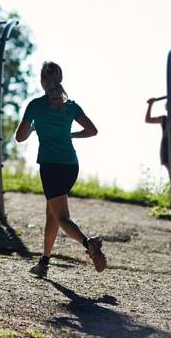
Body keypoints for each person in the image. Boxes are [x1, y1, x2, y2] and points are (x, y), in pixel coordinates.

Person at [15, 61, 106, 277]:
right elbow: (92, 130)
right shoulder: (72, 106)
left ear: (41, 81)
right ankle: (44, 263)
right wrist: (70, 135)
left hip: (50, 166)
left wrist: (35, 127)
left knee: (62, 216)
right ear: (60, 79)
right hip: (70, 166)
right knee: (52, 214)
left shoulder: (35, 106)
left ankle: (88, 244)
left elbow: (19, 137)